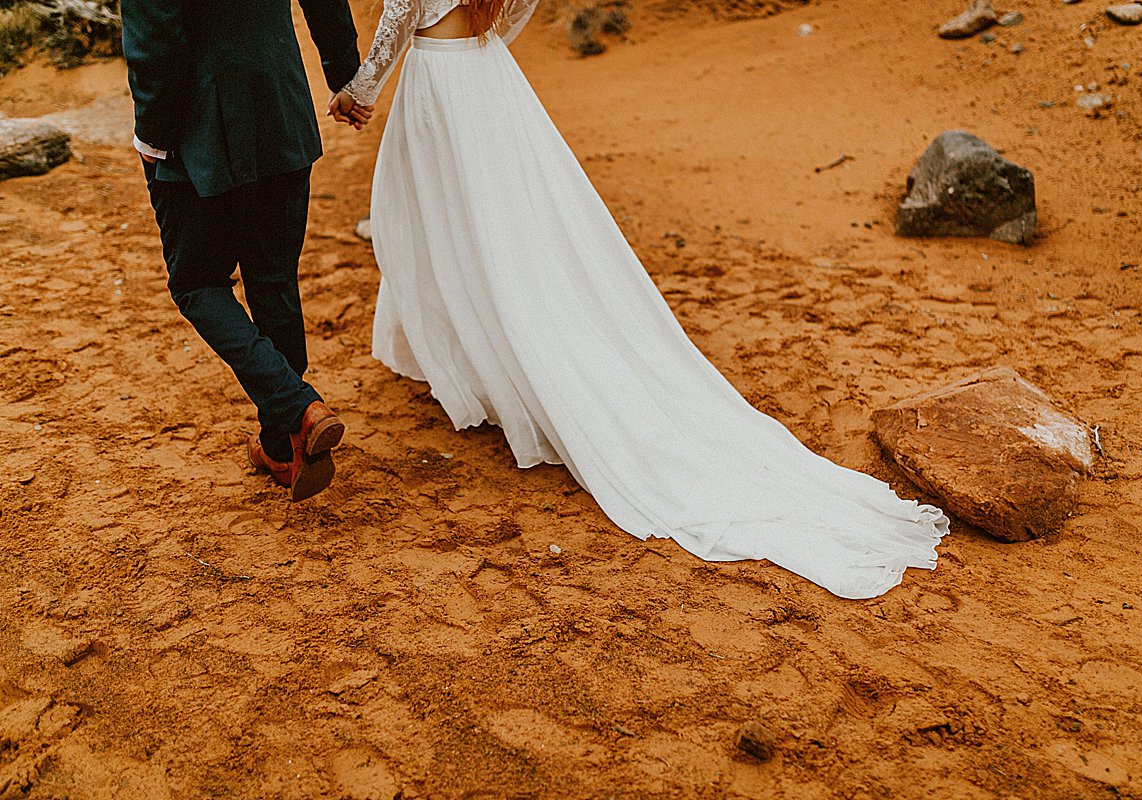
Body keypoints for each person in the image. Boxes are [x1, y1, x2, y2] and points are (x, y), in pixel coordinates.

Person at [335, 0, 950, 599]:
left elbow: (397, 18)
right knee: (509, 237)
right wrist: (481, 48)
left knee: (448, 226)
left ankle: (503, 367)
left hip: (439, 83)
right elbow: (519, 7)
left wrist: (361, 92)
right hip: (487, 76)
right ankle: (493, 363)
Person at [121, 0, 371, 501]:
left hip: (200, 127)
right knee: (273, 277)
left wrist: (153, 133)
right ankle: (282, 447)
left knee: (196, 283)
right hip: (282, 108)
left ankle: (297, 407)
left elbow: (156, 38)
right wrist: (347, 77)